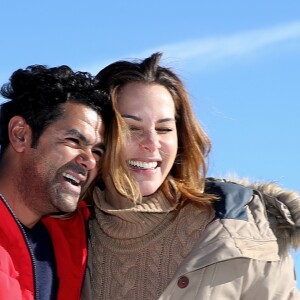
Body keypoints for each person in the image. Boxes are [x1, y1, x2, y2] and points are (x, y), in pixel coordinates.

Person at [83, 52, 300, 300]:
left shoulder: (247, 230)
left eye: (164, 129)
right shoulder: (61, 241)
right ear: (98, 135)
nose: (152, 144)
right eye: (132, 128)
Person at [0, 65, 111, 300]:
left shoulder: (72, 245)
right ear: (20, 135)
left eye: (98, 152)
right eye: (73, 141)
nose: (90, 160)